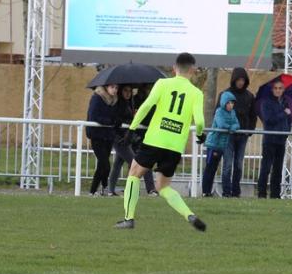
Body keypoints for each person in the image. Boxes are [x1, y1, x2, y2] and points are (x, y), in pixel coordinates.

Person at [115, 52, 207, 231]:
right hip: (175, 146)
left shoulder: (162, 84)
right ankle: (189, 215)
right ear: (193, 70)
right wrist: (200, 134)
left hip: (155, 140)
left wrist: (132, 129)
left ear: (174, 68)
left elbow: (146, 106)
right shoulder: (196, 93)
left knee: (134, 174)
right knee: (163, 187)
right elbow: (200, 121)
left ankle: (129, 219)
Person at [221, 68, 256, 197]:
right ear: (234, 80)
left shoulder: (250, 96)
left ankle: (236, 192)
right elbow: (218, 112)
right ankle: (226, 192)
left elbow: (253, 115)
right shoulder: (225, 94)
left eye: (243, 80)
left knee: (239, 165)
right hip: (228, 135)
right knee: (227, 164)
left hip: (242, 135)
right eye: (238, 80)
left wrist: (249, 131)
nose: (241, 82)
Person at [257, 78, 292, 199]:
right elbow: (268, 119)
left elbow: (289, 120)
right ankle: (262, 193)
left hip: (281, 139)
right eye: (276, 88)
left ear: (283, 90)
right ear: (272, 90)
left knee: (278, 168)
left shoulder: (285, 103)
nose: (278, 90)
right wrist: (284, 113)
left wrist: (287, 131)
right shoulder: (266, 103)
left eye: (280, 88)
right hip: (270, 139)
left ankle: (275, 194)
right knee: (266, 167)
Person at [201, 90, 239, 197]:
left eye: (232, 103)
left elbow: (237, 124)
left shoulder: (233, 113)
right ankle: (205, 191)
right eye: (228, 103)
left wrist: (233, 127)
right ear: (224, 103)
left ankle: (208, 191)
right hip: (213, 144)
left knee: (214, 169)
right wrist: (231, 128)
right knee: (209, 168)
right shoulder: (219, 111)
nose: (230, 105)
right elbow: (221, 124)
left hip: (222, 145)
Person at [86, 83, 121, 196]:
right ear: (106, 87)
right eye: (112, 87)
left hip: (108, 136)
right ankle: (104, 187)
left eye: (116, 88)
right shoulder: (97, 98)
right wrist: (110, 121)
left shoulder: (114, 101)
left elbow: (115, 116)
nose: (114, 90)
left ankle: (93, 190)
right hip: (97, 135)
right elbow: (93, 116)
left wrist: (116, 121)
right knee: (105, 165)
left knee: (102, 165)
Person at [107, 86, 139, 196]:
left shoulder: (129, 103)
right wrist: (131, 120)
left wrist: (134, 117)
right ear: (121, 91)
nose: (128, 93)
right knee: (134, 162)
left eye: (130, 91)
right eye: (125, 90)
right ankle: (129, 189)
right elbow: (117, 119)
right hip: (119, 138)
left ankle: (110, 190)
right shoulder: (118, 103)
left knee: (118, 164)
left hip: (125, 137)